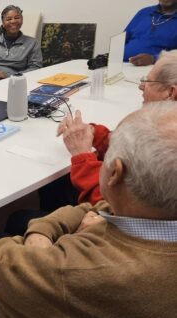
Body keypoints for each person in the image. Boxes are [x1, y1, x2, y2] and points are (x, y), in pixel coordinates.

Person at [0, 101, 177, 318]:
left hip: (19, 307)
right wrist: (40, 236)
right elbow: (95, 207)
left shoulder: (81, 269)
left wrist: (36, 245)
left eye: (104, 154)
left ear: (116, 173)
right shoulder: (148, 206)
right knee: (14, 224)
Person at [57, 50, 177, 204]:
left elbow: (116, 203)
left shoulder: (168, 146)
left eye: (148, 81)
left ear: (170, 93)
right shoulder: (166, 129)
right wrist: (95, 134)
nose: (141, 86)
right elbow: (135, 148)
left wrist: (82, 157)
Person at [0, 5, 42, 87]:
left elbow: (35, 69)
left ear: (22, 20)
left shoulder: (32, 43)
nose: (13, 21)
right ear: (3, 23)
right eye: (9, 19)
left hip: (14, 84)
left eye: (17, 18)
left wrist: (10, 76)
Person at [124, 0, 177, 66]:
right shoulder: (144, 12)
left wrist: (153, 59)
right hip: (122, 66)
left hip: (154, 72)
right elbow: (122, 40)